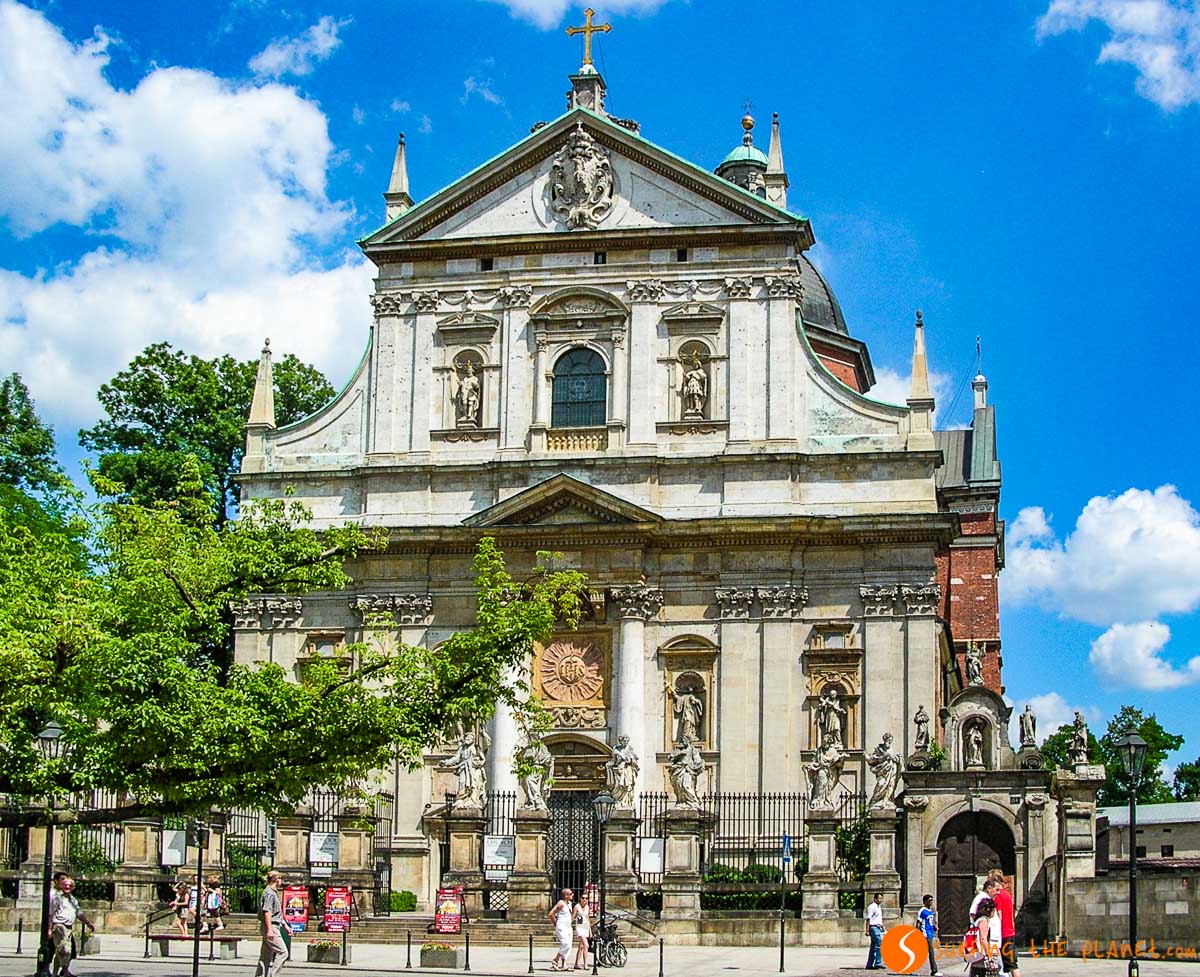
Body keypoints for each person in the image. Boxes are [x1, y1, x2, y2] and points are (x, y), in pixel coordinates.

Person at [49, 876, 94, 977]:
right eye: (65, 885)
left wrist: (88, 923)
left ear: (73, 887)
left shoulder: (73, 899)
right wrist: (49, 929)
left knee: (61, 951)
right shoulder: (57, 898)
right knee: (65, 949)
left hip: (68, 927)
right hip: (59, 926)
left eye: (70, 886)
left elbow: (79, 913)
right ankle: (63, 972)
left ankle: (57, 973)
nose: (67, 887)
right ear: (61, 886)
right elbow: (51, 913)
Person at [255, 870, 287, 977]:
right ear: (276, 880)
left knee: (266, 955)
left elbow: (276, 912)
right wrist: (269, 930)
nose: (281, 881)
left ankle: (260, 975)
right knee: (283, 952)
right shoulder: (268, 893)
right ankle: (273, 975)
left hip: (273, 925)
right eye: (280, 878)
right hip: (271, 926)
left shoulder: (273, 892)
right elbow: (267, 912)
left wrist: (285, 925)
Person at [992, 873, 1021, 977]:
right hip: (1010, 931)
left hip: (1003, 933)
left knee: (1011, 964)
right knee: (1012, 962)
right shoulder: (1007, 895)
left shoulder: (998, 896)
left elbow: (999, 914)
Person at [968, 897, 1001, 976]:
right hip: (982, 959)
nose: (994, 912)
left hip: (977, 957)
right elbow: (983, 939)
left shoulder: (977, 920)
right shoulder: (984, 920)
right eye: (994, 910)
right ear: (989, 910)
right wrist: (989, 956)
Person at [548, 888, 575, 972]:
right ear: (566, 895)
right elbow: (551, 914)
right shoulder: (561, 903)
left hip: (568, 927)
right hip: (562, 926)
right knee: (565, 943)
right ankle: (555, 960)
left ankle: (564, 964)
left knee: (569, 946)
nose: (572, 895)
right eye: (570, 894)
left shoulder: (569, 903)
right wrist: (556, 924)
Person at [917, 893, 939, 976]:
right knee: (931, 952)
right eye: (929, 901)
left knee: (928, 952)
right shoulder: (922, 911)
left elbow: (932, 921)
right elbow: (918, 923)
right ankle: (934, 970)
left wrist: (935, 927)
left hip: (930, 933)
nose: (931, 902)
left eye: (932, 900)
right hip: (925, 934)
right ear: (925, 901)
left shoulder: (930, 911)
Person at [864, 891, 885, 969]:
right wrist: (867, 930)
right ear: (875, 899)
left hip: (878, 927)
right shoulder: (872, 907)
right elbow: (868, 918)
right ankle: (878, 963)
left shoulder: (879, 907)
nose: (880, 900)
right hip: (873, 927)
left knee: (873, 946)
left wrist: (882, 927)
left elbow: (878, 918)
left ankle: (869, 964)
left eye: (881, 898)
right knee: (880, 944)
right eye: (879, 898)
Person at [573, 891, 592, 970]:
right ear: (580, 899)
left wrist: (590, 931)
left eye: (586, 898)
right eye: (583, 898)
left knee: (581, 946)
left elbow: (588, 919)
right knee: (586, 945)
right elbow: (573, 917)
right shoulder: (577, 907)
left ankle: (576, 964)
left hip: (585, 928)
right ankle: (585, 964)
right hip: (579, 928)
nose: (585, 899)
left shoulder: (587, 907)